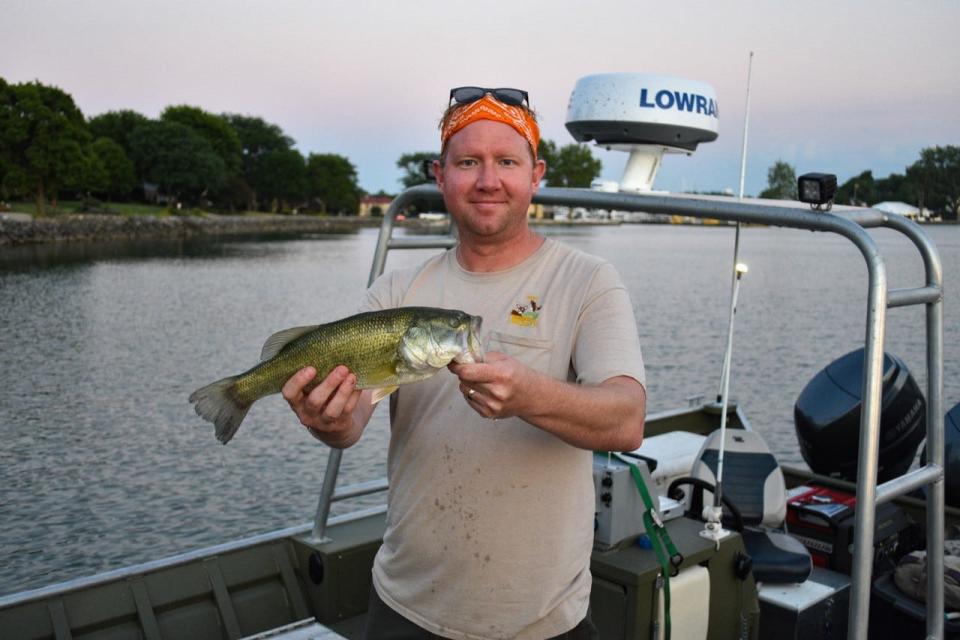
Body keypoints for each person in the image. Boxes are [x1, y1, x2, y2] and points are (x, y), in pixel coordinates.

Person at [282, 86, 646, 640]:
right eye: (468, 162)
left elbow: (627, 420)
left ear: (536, 174)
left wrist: (530, 395)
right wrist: (328, 421)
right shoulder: (397, 287)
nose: (488, 180)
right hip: (405, 607)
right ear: (440, 174)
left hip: (542, 622)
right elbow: (351, 421)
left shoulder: (588, 280)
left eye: (507, 161)